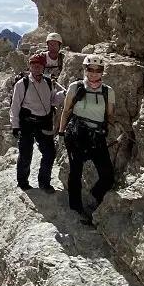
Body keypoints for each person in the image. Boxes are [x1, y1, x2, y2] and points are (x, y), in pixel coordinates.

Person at [57, 53, 115, 224]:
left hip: (96, 136)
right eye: (90, 69)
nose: (94, 73)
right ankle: (75, 206)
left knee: (108, 176)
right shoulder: (75, 87)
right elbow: (67, 110)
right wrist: (61, 133)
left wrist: (120, 126)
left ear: (102, 72)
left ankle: (95, 195)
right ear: (85, 69)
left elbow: (110, 115)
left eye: (98, 70)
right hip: (76, 134)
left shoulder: (108, 91)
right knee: (75, 171)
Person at [9, 50, 66, 192]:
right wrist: (15, 126)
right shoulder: (22, 84)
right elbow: (15, 105)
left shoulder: (48, 82)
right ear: (29, 67)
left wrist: (65, 94)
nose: (37, 68)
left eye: (40, 65)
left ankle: (44, 182)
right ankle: (23, 182)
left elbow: (52, 100)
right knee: (26, 153)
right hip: (27, 122)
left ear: (44, 67)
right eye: (34, 65)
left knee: (49, 153)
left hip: (44, 121)